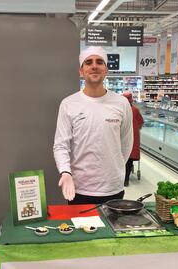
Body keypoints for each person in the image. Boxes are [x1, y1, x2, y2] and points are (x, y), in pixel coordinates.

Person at [53, 46, 133, 205]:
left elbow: (126, 143)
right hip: (79, 188)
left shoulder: (121, 103)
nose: (94, 66)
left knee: (111, 229)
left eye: (99, 62)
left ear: (106, 70)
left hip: (113, 188)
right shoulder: (69, 104)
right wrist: (65, 171)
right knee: (81, 230)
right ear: (81, 71)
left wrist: (113, 168)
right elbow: (61, 145)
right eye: (88, 62)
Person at [122, 92, 144, 187]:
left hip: (121, 137)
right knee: (129, 158)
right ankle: (126, 180)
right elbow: (140, 123)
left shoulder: (120, 110)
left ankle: (122, 178)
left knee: (122, 158)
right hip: (133, 137)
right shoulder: (135, 110)